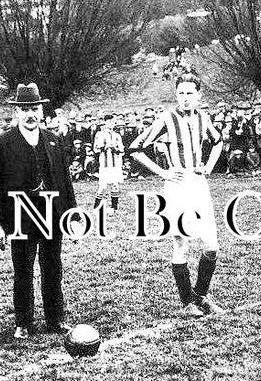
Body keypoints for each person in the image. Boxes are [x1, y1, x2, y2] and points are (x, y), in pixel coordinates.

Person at [128, 73, 226, 318]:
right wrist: (164, 172)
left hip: (199, 185)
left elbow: (218, 141)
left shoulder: (203, 118)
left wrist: (209, 166)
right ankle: (187, 304)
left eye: (189, 93)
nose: (185, 98)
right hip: (177, 187)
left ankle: (200, 296)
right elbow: (136, 149)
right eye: (180, 93)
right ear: (176, 95)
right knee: (181, 243)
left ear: (199, 95)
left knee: (212, 247)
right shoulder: (167, 119)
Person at [0, 83, 77, 341]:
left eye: (34, 108)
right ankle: (23, 322)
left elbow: (65, 181)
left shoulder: (53, 139)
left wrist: (71, 215)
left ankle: (55, 318)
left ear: (41, 110)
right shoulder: (3, 142)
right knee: (23, 269)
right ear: (16, 112)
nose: (30, 114)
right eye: (24, 109)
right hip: (20, 216)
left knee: (52, 267)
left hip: (51, 214)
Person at [92, 113, 125, 211]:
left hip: (116, 163)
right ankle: (96, 208)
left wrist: (116, 148)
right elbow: (96, 149)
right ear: (105, 122)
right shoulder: (99, 134)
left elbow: (122, 150)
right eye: (109, 121)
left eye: (113, 122)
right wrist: (104, 147)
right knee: (103, 186)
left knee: (115, 185)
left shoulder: (117, 135)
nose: (111, 123)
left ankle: (114, 208)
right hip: (105, 164)